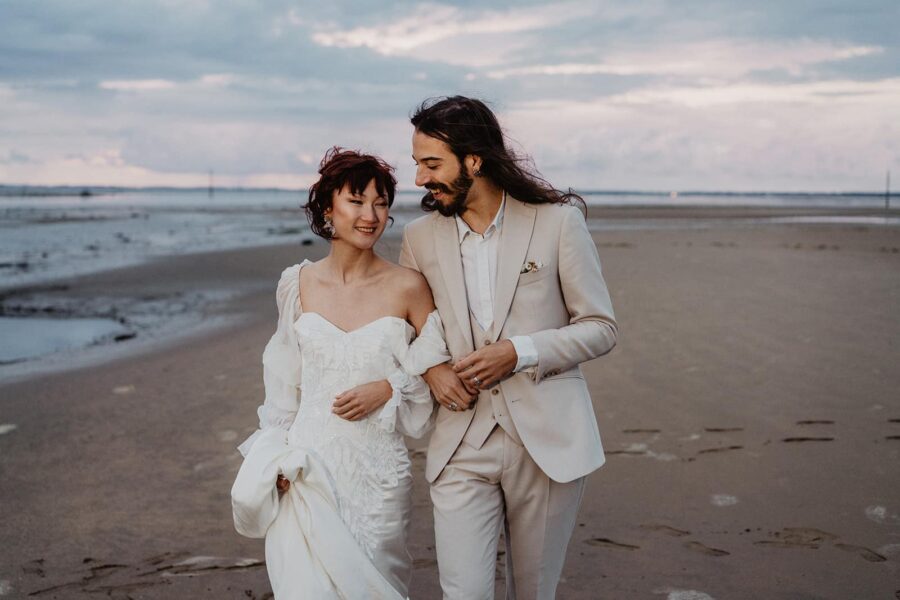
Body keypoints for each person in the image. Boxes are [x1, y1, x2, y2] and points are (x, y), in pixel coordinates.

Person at [400, 96, 618, 599]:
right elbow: (414, 326)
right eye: (417, 165)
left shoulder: (558, 222)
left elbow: (601, 326)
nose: (419, 179)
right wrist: (432, 370)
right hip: (460, 443)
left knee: (533, 592)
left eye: (431, 164)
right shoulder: (418, 238)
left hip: (545, 441)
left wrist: (519, 352)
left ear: (473, 159)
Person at [231, 147, 450, 599]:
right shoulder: (297, 284)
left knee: (376, 582)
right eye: (357, 200)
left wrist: (388, 388)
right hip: (307, 468)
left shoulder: (408, 286)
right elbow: (282, 382)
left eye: (381, 202)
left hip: (378, 475)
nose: (370, 215)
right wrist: (274, 457)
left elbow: (434, 369)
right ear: (327, 207)